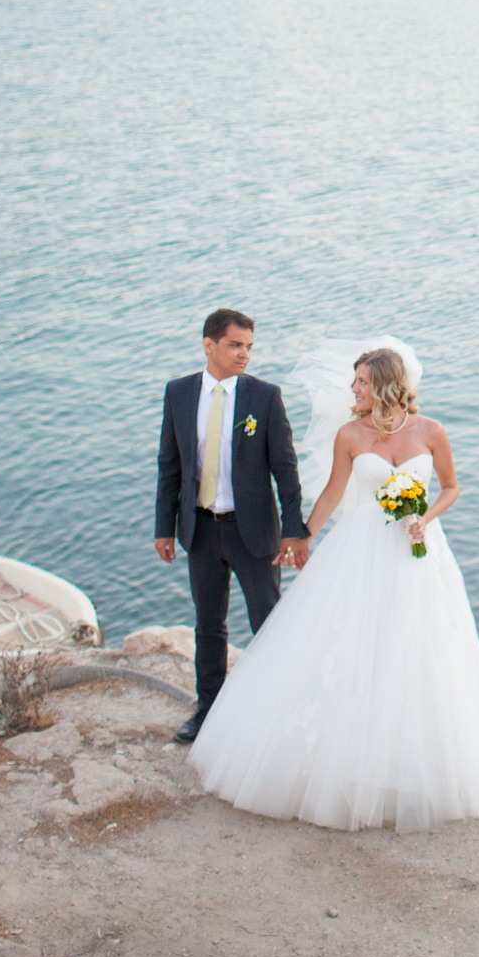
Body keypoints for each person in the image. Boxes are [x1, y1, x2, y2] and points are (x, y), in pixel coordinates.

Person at [188, 343, 479, 831]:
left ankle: (408, 754)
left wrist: (423, 517)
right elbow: (334, 492)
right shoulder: (349, 435)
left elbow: (450, 487)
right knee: (350, 642)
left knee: (420, 644)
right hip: (360, 549)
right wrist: (300, 536)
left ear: (385, 384)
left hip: (418, 553)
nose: (354, 390)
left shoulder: (431, 431)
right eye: (354, 381)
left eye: (361, 382)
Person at [153, 308, 309, 745]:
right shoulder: (179, 393)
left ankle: (282, 710)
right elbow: (170, 464)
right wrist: (164, 527)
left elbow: (286, 470)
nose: (245, 354)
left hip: (254, 532)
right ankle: (208, 712)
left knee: (270, 624)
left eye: (249, 347)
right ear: (210, 345)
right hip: (200, 529)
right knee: (209, 626)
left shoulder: (265, 397)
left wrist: (294, 532)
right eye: (235, 345)